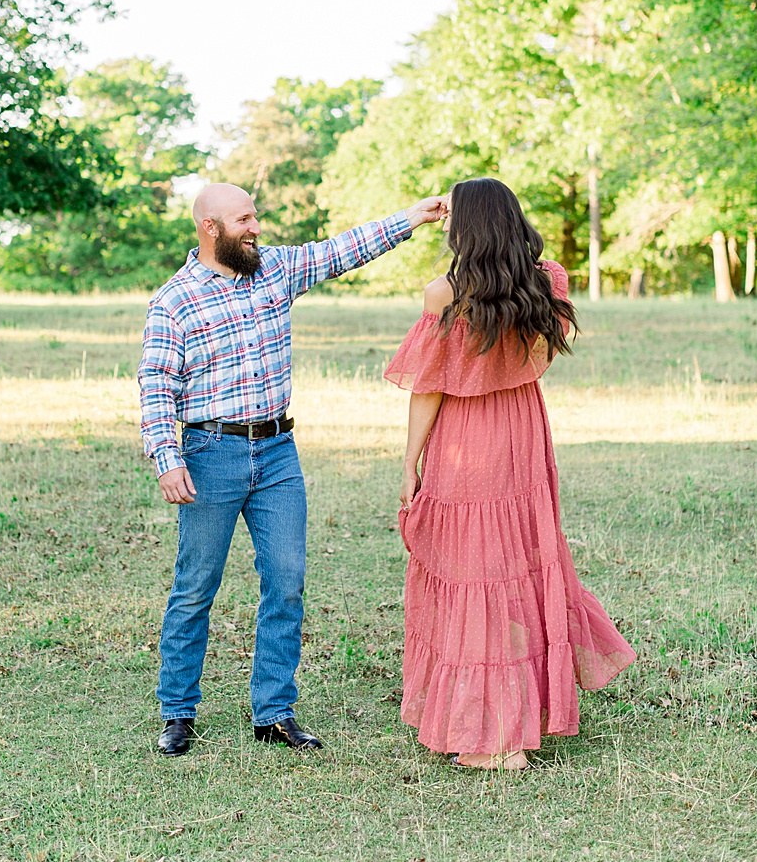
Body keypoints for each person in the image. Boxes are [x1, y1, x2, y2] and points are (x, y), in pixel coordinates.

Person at [139, 183, 449, 757]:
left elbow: (343, 250)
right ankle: (177, 711)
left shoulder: (275, 270)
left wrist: (413, 216)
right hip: (210, 453)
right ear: (210, 227)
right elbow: (157, 384)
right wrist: (167, 459)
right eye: (244, 220)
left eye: (255, 216)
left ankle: (274, 712)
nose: (256, 227)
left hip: (278, 452)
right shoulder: (174, 300)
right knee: (195, 586)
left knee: (286, 581)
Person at [387, 177, 635, 769]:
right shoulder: (545, 281)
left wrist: (410, 461)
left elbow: (428, 388)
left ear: (468, 226)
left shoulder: (444, 293)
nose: (445, 221)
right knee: (515, 563)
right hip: (522, 430)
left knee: (474, 570)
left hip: (467, 439)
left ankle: (496, 739)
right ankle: (515, 714)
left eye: (452, 213)